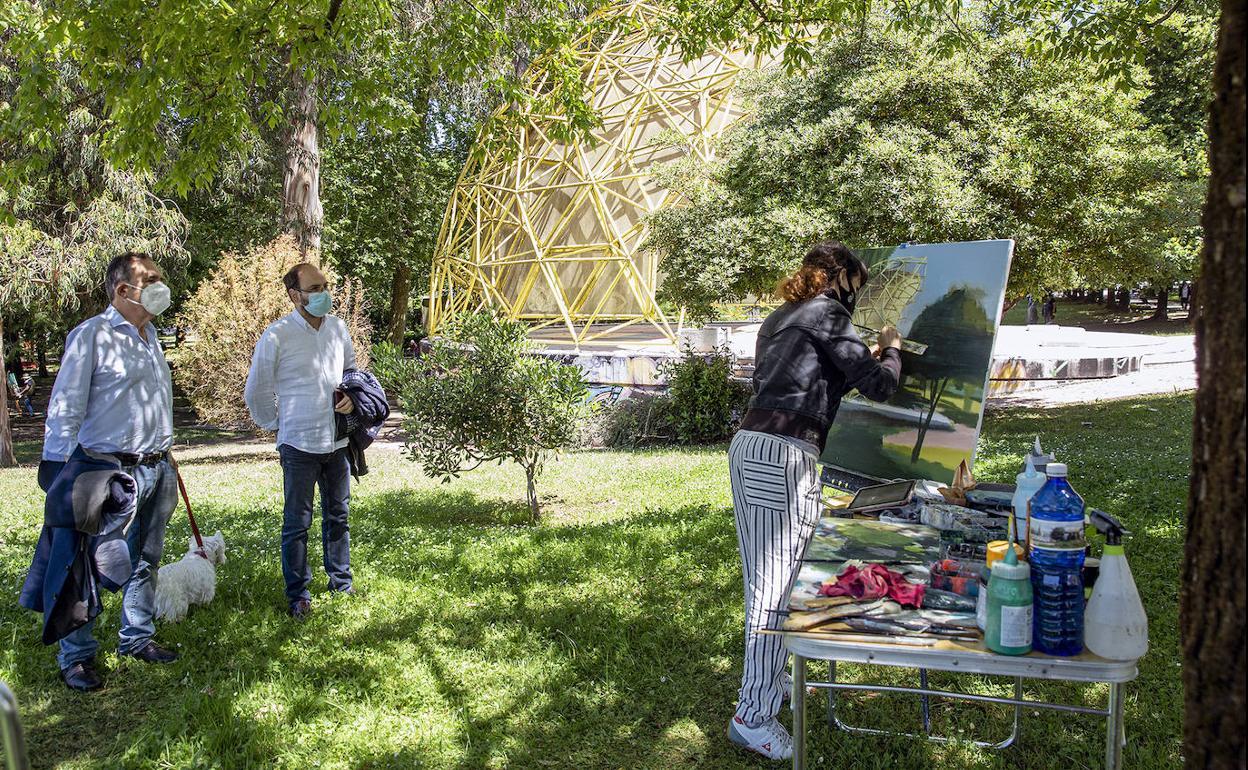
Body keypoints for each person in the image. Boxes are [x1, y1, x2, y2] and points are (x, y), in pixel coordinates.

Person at [726, 240, 903, 760]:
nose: (858, 298)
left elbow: (817, 384)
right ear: (840, 276)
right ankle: (752, 717)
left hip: (764, 449)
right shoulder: (827, 312)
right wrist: (890, 347)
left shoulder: (782, 316)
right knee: (773, 587)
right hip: (780, 455)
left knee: (780, 574)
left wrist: (861, 359)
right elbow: (880, 387)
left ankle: (771, 682)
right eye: (858, 285)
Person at [27, 251, 180, 692]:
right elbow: (65, 408)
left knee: (144, 560)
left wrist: (166, 450)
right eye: (150, 279)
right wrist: (57, 474)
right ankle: (76, 657)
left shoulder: (151, 336)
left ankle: (137, 637)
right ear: (122, 290)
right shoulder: (91, 336)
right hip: (105, 473)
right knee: (84, 565)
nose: (159, 284)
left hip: (157, 468)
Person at [245, 263, 357, 620]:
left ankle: (341, 582)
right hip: (298, 445)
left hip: (336, 443)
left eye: (325, 285)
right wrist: (275, 424)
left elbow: (353, 374)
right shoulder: (276, 335)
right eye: (315, 287)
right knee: (297, 522)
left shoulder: (338, 329)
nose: (324, 292)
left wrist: (352, 398)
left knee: (338, 516)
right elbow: (257, 389)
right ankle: (298, 594)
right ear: (295, 295)